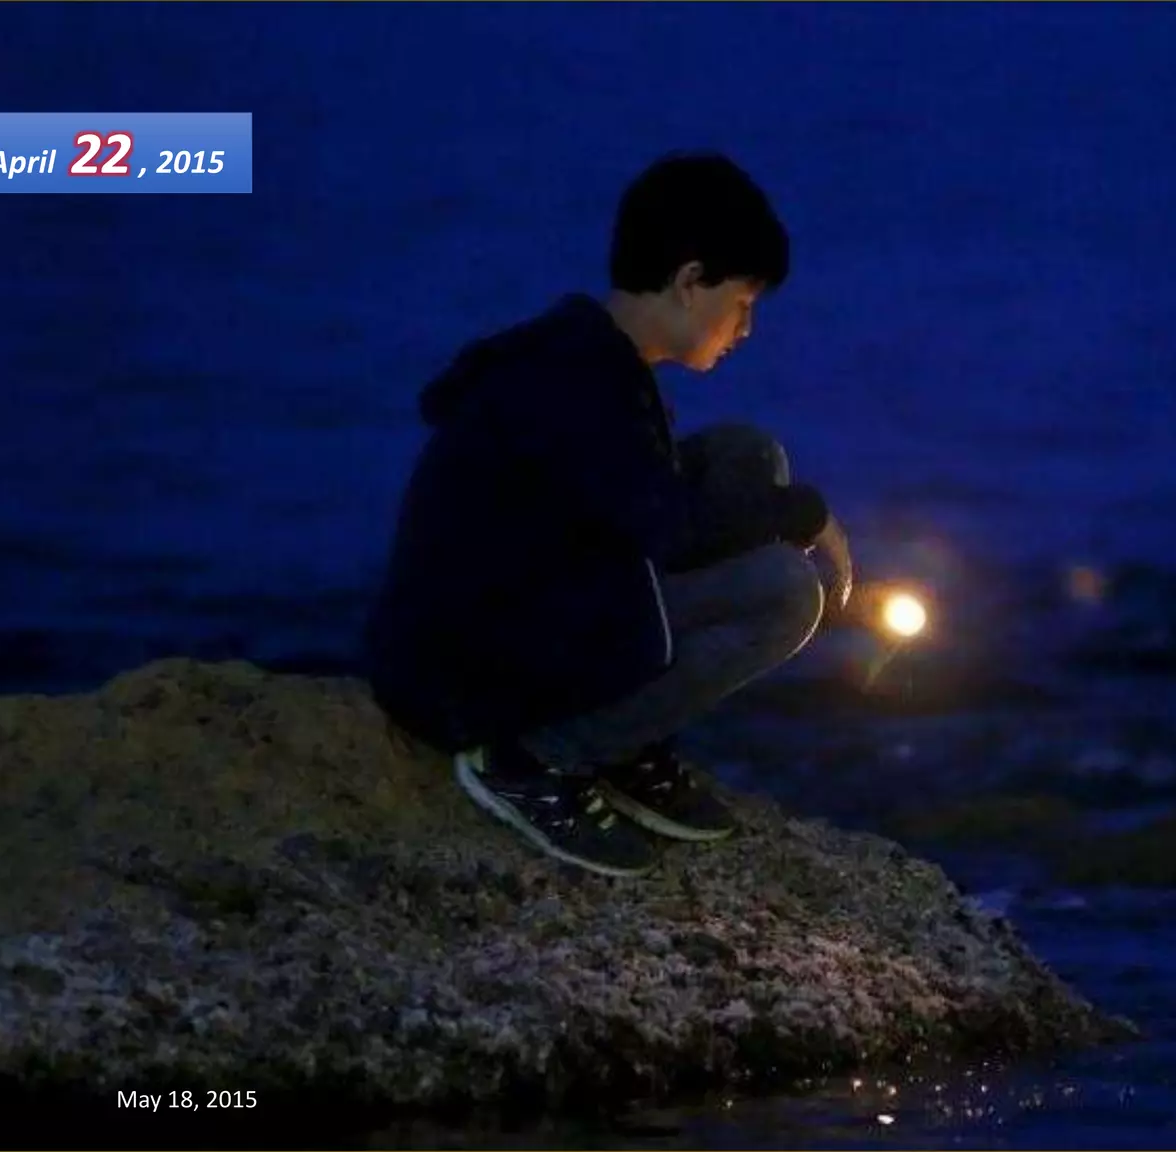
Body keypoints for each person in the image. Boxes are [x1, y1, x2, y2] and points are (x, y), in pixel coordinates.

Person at [363, 152, 852, 877]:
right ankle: (535, 760)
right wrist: (807, 516)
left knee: (745, 455)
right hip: (465, 672)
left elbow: (645, 512)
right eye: (741, 304)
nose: (745, 330)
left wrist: (781, 507)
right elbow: (673, 535)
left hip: (529, 604)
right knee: (786, 591)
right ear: (691, 283)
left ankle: (621, 736)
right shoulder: (579, 381)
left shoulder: (593, 353)